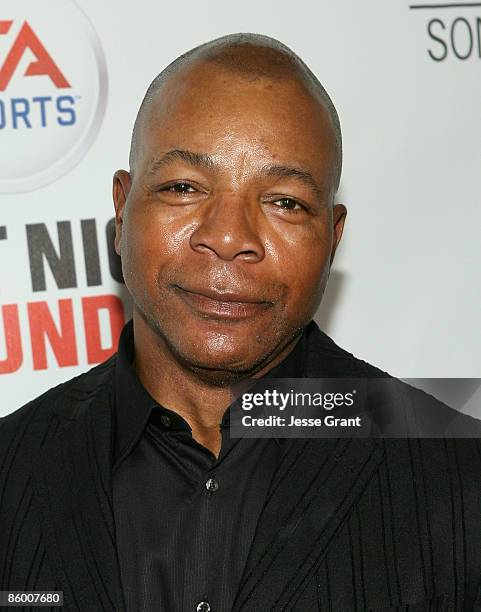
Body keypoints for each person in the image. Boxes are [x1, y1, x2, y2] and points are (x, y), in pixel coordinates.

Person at [1, 33, 480, 612]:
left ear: (333, 236)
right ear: (122, 210)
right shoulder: (13, 468)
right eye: (183, 188)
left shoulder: (458, 477)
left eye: (284, 201)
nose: (229, 238)